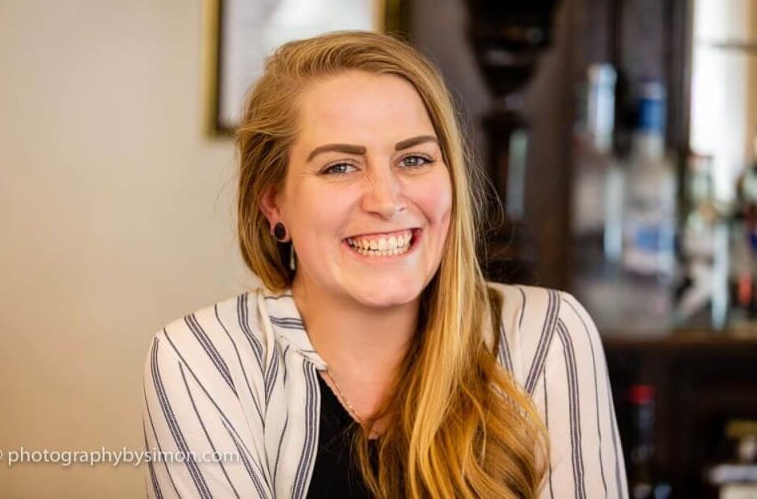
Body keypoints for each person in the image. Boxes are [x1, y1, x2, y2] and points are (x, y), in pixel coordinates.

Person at [142, 30, 626, 498]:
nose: (386, 200)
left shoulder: (546, 334)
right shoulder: (203, 359)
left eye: (414, 159)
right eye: (339, 166)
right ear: (274, 204)